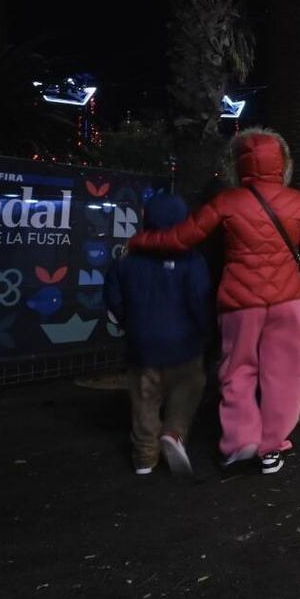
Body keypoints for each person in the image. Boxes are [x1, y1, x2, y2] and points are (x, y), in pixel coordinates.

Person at [129, 127, 300, 475]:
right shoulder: (298, 202)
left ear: (240, 165)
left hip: (240, 301)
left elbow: (182, 238)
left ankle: (241, 441)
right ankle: (273, 447)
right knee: (285, 373)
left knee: (238, 370)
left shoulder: (227, 201)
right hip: (287, 301)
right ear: (280, 164)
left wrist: (142, 240)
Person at [105, 194, 213, 476]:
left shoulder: (125, 261)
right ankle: (174, 433)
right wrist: (205, 331)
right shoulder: (192, 260)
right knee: (187, 388)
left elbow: (113, 298)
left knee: (144, 400)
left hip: (142, 345)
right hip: (185, 345)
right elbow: (200, 302)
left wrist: (130, 323)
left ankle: (144, 456)